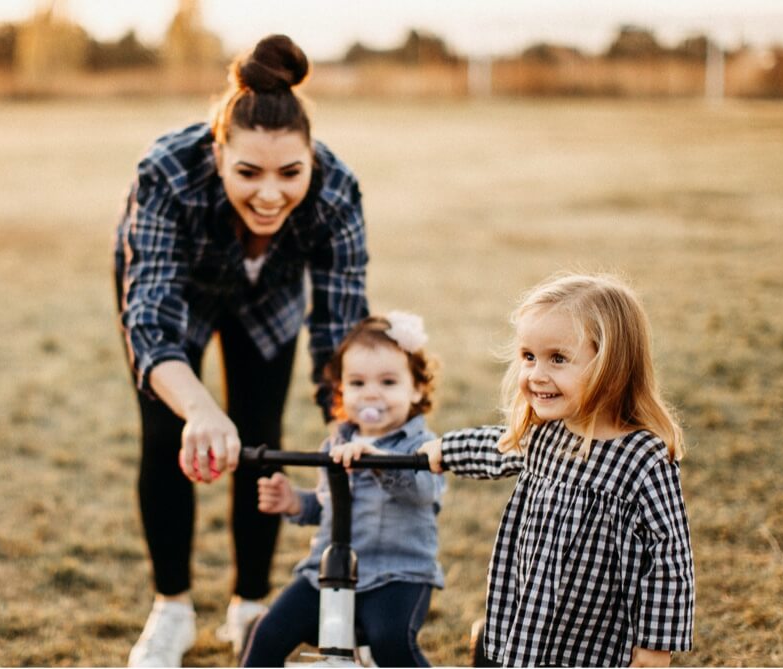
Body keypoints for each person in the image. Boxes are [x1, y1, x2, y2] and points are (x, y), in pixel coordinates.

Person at [113, 34, 369, 667]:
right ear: (217, 153)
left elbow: (340, 326)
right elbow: (149, 318)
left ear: (313, 159)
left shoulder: (337, 193)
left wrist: (346, 425)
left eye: (291, 173)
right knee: (172, 433)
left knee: (259, 434)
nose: (270, 194)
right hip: (178, 299)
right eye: (248, 172)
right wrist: (197, 409)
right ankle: (171, 608)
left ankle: (249, 606)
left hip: (269, 299)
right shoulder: (168, 171)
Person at [417, 273, 695, 667]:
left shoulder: (642, 458)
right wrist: (445, 449)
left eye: (558, 359)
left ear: (612, 368)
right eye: (528, 357)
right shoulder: (546, 435)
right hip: (532, 616)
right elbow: (498, 447)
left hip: (593, 633)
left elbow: (669, 556)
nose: (536, 375)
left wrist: (655, 644)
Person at [244, 312, 444, 667]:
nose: (371, 393)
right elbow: (330, 506)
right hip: (328, 574)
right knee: (268, 633)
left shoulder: (423, 447)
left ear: (416, 387)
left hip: (396, 574)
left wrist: (379, 460)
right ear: (340, 390)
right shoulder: (337, 442)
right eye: (357, 383)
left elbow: (424, 492)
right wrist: (296, 503)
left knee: (390, 643)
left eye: (387, 382)